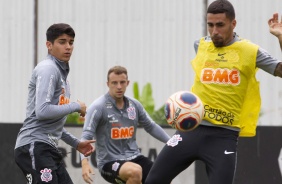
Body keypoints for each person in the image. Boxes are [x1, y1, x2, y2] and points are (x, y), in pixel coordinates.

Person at [145, 1, 282, 184]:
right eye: (210, 25)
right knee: (153, 180)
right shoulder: (200, 45)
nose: (214, 31)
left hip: (224, 137)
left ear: (233, 24)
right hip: (190, 131)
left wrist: (280, 37)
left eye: (220, 25)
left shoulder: (250, 51)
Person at [14, 23, 95, 184]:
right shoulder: (48, 69)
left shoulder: (62, 77)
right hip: (34, 145)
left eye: (71, 42)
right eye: (62, 41)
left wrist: (76, 144)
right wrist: (76, 106)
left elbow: (54, 124)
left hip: (46, 148)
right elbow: (42, 111)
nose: (68, 47)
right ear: (49, 45)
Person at [80, 65, 171, 184]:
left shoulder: (134, 105)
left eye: (122, 82)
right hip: (109, 163)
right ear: (108, 84)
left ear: (127, 83)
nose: (119, 86)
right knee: (135, 171)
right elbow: (86, 137)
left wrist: (171, 142)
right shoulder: (98, 107)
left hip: (134, 157)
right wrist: (84, 162)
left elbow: (151, 126)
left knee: (163, 177)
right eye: (114, 83)